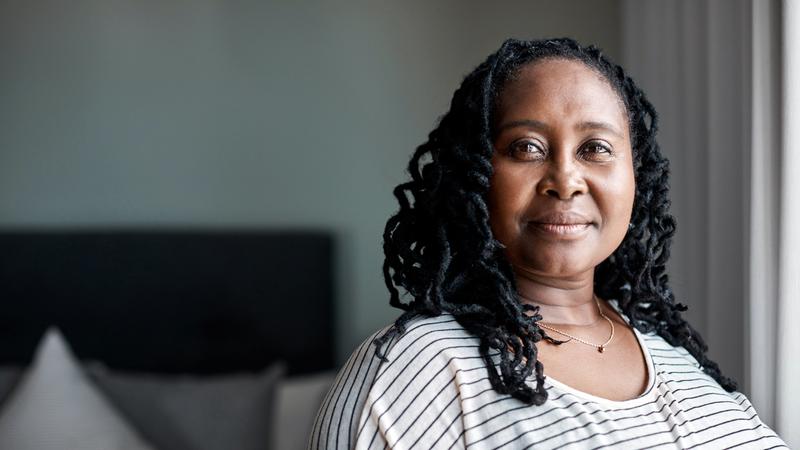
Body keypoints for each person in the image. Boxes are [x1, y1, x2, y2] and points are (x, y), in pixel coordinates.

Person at [309, 38, 787, 449]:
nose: (565, 179)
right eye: (527, 148)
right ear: (474, 177)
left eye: (595, 149)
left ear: (635, 179)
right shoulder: (416, 369)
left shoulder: (671, 354)